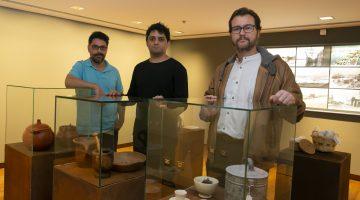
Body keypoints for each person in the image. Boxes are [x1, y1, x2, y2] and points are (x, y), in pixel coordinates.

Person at [200, 7, 306, 186]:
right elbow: (206, 107)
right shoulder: (222, 69)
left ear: (258, 32)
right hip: (217, 147)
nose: (242, 33)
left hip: (253, 152)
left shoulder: (277, 68)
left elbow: (298, 110)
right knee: (214, 194)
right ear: (231, 34)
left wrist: (291, 99)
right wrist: (206, 111)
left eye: (248, 27)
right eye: (236, 29)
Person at [127, 22, 188, 187]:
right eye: (152, 38)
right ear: (146, 42)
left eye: (160, 39)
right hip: (141, 129)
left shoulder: (178, 69)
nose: (156, 42)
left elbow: (184, 103)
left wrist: (167, 105)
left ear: (167, 43)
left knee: (164, 174)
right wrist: (116, 97)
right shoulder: (139, 68)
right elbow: (132, 98)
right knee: (140, 169)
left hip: (166, 131)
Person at [65, 31, 123, 151]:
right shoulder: (81, 66)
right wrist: (93, 86)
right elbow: (68, 81)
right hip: (86, 130)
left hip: (109, 129)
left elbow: (120, 97)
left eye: (103, 48)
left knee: (108, 164)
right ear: (89, 48)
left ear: (107, 49)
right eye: (95, 47)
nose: (99, 51)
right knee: (86, 167)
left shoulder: (114, 71)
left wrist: (121, 119)